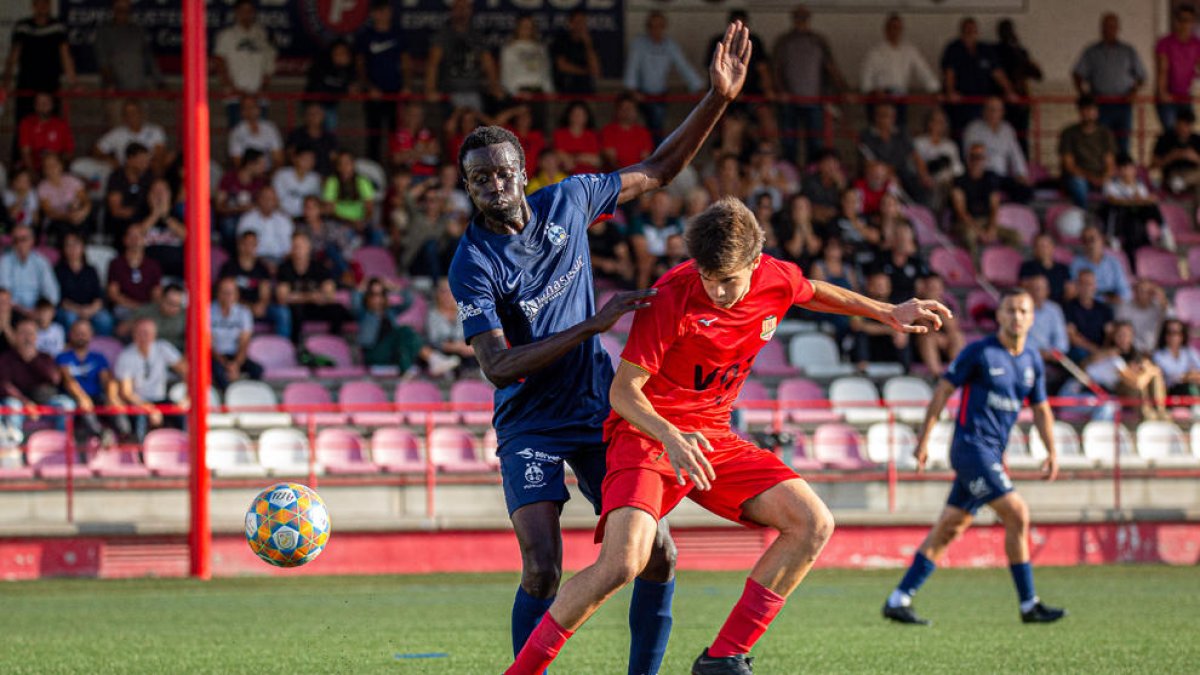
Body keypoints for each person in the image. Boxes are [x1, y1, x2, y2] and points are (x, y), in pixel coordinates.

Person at [505, 196, 950, 674]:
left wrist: (886, 312)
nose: (716, 292)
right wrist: (671, 437)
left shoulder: (774, 276)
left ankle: (723, 657)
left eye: (728, 281)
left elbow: (812, 289)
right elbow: (623, 393)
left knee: (812, 524)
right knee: (623, 563)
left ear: (755, 263)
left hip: (714, 436)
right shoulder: (671, 295)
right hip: (646, 435)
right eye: (708, 279)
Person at [453, 22, 755, 675]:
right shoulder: (472, 263)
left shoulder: (571, 199)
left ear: (523, 172)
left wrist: (717, 99)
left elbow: (661, 167)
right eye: (479, 178)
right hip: (531, 422)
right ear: (469, 185)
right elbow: (497, 365)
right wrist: (592, 326)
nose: (494, 185)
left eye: (503, 172)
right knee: (542, 566)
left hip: (599, 412)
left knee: (658, 552)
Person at [882, 289, 1065, 626]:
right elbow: (943, 391)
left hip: (992, 454)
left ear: (1032, 317)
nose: (1016, 317)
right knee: (1017, 513)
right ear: (999, 316)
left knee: (950, 527)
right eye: (1010, 310)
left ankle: (899, 599)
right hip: (970, 450)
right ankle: (1029, 605)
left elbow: (1041, 409)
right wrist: (924, 439)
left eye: (1023, 311)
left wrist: (1052, 451)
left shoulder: (1032, 361)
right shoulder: (979, 352)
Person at [773, 5, 847, 165]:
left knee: (815, 141)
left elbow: (830, 66)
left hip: (814, 99)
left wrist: (842, 88)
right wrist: (780, 91)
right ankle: (790, 172)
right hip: (790, 100)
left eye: (804, 18)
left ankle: (812, 171)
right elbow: (775, 68)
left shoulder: (818, 41)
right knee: (789, 141)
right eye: (798, 18)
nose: (801, 22)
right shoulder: (784, 41)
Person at [1, 0, 77, 157]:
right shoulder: (22, 26)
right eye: (39, 3)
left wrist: (73, 82)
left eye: (46, 3)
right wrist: (6, 83)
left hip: (50, 85)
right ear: (33, 5)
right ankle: (20, 164)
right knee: (23, 124)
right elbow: (13, 55)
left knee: (53, 124)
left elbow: (65, 55)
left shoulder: (58, 26)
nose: (43, 6)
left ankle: (54, 165)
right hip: (26, 85)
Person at [624, 11, 704, 142]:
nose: (656, 30)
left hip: (660, 94)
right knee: (643, 122)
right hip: (640, 95)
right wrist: (632, 90)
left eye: (659, 26)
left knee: (657, 122)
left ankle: (656, 153)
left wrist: (698, 87)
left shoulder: (670, 45)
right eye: (652, 26)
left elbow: (684, 66)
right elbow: (632, 67)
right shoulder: (639, 44)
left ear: (664, 27)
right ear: (647, 27)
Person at [1072, 13, 1146, 154]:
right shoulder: (1091, 52)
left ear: (1118, 29)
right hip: (1100, 103)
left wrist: (1134, 92)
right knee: (1101, 142)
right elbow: (1077, 73)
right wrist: (1084, 95)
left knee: (1123, 141)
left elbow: (1142, 76)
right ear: (1101, 29)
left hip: (1123, 103)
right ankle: (1103, 173)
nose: (1109, 30)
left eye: (1113, 26)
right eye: (1106, 26)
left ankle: (1121, 172)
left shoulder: (1128, 51)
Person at [57, 318, 130, 445]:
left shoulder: (98, 357)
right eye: (77, 332)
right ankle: (101, 434)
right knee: (85, 407)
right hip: (75, 398)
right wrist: (82, 397)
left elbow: (108, 380)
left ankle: (126, 436)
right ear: (70, 335)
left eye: (84, 332)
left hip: (96, 396)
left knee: (115, 406)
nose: (81, 336)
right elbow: (69, 381)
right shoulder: (63, 357)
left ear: (91, 335)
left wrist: (112, 396)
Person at [859, 13, 939, 128]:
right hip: (881, 97)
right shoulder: (875, 52)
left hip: (900, 97)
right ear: (885, 30)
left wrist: (934, 89)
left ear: (902, 30)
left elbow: (923, 70)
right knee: (877, 130)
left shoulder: (909, 50)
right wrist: (872, 91)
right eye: (892, 27)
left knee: (899, 130)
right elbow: (866, 76)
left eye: (898, 28)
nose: (895, 31)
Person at [0, 318, 75, 440]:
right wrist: (26, 403)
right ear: (15, 336)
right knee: (11, 406)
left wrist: (33, 360)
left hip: (46, 403)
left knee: (66, 404)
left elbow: (54, 379)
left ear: (36, 337)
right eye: (23, 333)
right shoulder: (6, 358)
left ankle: (62, 444)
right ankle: (13, 449)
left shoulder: (45, 357)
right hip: (19, 403)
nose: (27, 338)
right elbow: (4, 385)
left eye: (30, 333)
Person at [940, 17, 1017, 137]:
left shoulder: (985, 50)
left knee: (985, 133)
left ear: (977, 32)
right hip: (961, 103)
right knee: (962, 134)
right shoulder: (953, 48)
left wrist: (1010, 91)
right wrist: (951, 92)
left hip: (983, 103)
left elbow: (998, 73)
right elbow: (949, 73)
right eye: (967, 30)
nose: (970, 32)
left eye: (973, 30)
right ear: (961, 31)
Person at [114, 317, 186, 441]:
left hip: (161, 399)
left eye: (147, 333)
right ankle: (140, 455)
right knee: (140, 418)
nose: (144, 337)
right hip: (138, 402)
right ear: (134, 335)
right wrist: (148, 408)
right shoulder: (126, 356)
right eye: (140, 333)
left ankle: (185, 450)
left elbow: (187, 371)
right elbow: (126, 392)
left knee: (181, 415)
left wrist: (187, 397)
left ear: (154, 335)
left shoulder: (163, 348)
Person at [355, 0, 409, 163]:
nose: (382, 15)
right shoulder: (365, 36)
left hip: (395, 93)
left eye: (385, 11)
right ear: (372, 14)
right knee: (374, 135)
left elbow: (406, 63)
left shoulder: (398, 34)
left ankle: (397, 173)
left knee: (397, 135)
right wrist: (369, 87)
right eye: (378, 11)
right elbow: (360, 66)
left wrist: (406, 86)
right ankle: (373, 172)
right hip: (374, 94)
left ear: (390, 12)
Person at [425, 0, 501, 114]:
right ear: (452, 10)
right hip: (450, 92)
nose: (461, 12)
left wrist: (494, 86)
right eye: (458, 8)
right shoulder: (443, 35)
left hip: (474, 91)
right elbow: (433, 64)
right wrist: (430, 89)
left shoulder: (477, 35)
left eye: (465, 8)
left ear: (470, 11)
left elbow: (488, 63)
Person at [274, 232, 352, 344]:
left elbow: (329, 295)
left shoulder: (319, 267)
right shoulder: (285, 268)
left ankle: (332, 343)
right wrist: (310, 297)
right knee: (296, 309)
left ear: (309, 248)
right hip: (297, 309)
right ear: (291, 248)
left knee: (338, 309)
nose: (299, 250)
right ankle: (295, 346)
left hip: (315, 307)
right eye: (296, 246)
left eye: (302, 246)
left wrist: (300, 297)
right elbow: (282, 298)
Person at [1085, 321, 1168, 421]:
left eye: (1127, 335)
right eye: (1120, 335)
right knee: (1138, 386)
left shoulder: (1135, 353)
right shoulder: (1110, 355)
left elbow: (1152, 370)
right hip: (1101, 392)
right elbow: (1137, 383)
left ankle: (1160, 412)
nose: (1124, 338)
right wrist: (1148, 373)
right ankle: (1148, 417)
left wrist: (1148, 371)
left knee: (1155, 376)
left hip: (1130, 388)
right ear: (1114, 337)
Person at [212, 0, 277, 129]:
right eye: (242, 11)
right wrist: (232, 87)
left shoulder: (263, 35)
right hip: (235, 97)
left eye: (249, 11)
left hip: (258, 97)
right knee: (238, 135)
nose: (246, 14)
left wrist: (262, 88)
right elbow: (219, 63)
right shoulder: (226, 35)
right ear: (236, 13)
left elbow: (269, 65)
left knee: (260, 137)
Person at [962, 96, 1032, 203]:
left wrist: (1021, 174)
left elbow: (1016, 155)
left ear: (1002, 112)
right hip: (983, 175)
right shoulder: (973, 128)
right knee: (989, 185)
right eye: (991, 109)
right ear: (984, 111)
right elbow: (971, 156)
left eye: (997, 110)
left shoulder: (1008, 129)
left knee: (1025, 190)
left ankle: (1010, 215)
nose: (994, 113)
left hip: (1002, 175)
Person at [949, 144, 1014, 256]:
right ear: (968, 159)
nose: (976, 161)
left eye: (980, 157)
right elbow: (961, 212)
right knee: (969, 236)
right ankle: (975, 271)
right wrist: (979, 232)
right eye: (973, 157)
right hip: (965, 223)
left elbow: (995, 206)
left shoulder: (990, 178)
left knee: (1015, 237)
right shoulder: (959, 181)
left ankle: (1000, 263)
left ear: (985, 159)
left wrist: (992, 228)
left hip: (985, 220)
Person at [706, 10, 774, 115]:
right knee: (731, 125)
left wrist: (768, 89)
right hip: (725, 94)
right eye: (735, 24)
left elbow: (762, 69)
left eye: (742, 24)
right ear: (729, 24)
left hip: (751, 93)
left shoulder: (754, 41)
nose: (739, 29)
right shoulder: (719, 42)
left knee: (765, 116)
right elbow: (711, 71)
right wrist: (719, 92)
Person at [93, 0, 163, 103]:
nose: (122, 13)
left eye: (126, 10)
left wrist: (160, 82)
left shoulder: (138, 31)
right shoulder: (103, 31)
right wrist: (110, 83)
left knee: (142, 119)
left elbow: (149, 59)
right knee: (116, 118)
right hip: (115, 92)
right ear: (114, 10)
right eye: (119, 9)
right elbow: (102, 60)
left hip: (139, 90)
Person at [1101, 155, 1159, 268]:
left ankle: (1164, 231)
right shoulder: (1111, 183)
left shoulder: (1139, 184)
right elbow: (1113, 200)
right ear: (1117, 170)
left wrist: (1138, 200)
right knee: (1117, 209)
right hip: (1120, 220)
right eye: (1122, 169)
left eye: (1128, 168)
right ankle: (1113, 236)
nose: (1126, 172)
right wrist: (1133, 200)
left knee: (1151, 207)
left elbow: (1149, 199)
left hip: (1135, 219)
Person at [1059, 95, 1117, 209]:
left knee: (1121, 185)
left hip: (1100, 176)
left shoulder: (1105, 133)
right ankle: (1083, 217)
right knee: (1079, 185)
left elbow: (1110, 162)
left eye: (1092, 110)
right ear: (1080, 112)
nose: (1089, 113)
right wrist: (1091, 178)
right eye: (1085, 110)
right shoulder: (1069, 133)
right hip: (1078, 176)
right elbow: (1069, 165)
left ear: (1097, 112)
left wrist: (1105, 177)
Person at [994, 19, 1042, 155]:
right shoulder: (995, 51)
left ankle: (1023, 168)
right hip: (1003, 101)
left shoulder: (1020, 51)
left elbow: (1037, 74)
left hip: (1021, 101)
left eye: (1010, 30)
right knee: (1002, 136)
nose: (1008, 34)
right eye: (1005, 30)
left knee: (1021, 137)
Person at [851, 272, 913, 372]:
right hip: (868, 348)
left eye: (885, 285)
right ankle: (862, 369)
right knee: (861, 334)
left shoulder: (896, 307)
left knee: (902, 333)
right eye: (879, 285)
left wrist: (898, 331)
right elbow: (857, 326)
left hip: (888, 347)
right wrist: (888, 330)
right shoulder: (860, 304)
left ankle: (906, 370)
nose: (883, 288)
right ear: (870, 287)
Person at [55, 232, 113, 337]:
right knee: (70, 318)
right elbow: (59, 299)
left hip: (90, 309)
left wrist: (90, 309)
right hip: (69, 309)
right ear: (63, 249)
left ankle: (101, 346)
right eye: (69, 245)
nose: (73, 248)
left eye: (76, 244)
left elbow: (99, 296)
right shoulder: (58, 271)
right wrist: (78, 310)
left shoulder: (91, 270)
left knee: (105, 319)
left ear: (82, 247)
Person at [211, 277, 263, 391]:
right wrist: (225, 364)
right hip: (214, 356)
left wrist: (236, 364)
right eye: (224, 292)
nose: (227, 296)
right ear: (217, 293)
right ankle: (228, 403)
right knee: (219, 373)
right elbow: (209, 344)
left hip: (236, 354)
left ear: (237, 294)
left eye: (231, 293)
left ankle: (249, 396)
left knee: (257, 370)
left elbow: (244, 342)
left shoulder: (244, 312)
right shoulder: (208, 311)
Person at [1154, 4, 1200, 131]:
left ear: (1193, 22)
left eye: (1188, 20)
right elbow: (1162, 69)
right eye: (1181, 20)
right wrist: (1162, 92)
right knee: (1171, 132)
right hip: (1168, 96)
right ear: (1176, 21)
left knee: (1187, 133)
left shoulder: (1196, 44)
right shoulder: (1165, 42)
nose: (1184, 24)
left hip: (1185, 96)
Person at [107, 227, 164, 322]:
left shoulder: (153, 265)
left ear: (144, 240)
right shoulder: (116, 263)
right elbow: (113, 293)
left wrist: (148, 308)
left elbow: (157, 293)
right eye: (131, 236)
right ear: (125, 240)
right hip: (124, 307)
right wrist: (136, 307)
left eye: (139, 236)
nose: (136, 239)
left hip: (147, 308)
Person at [94, 99, 168, 171]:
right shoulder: (116, 133)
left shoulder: (155, 131)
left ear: (141, 113)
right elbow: (97, 149)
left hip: (148, 171)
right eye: (127, 114)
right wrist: (110, 160)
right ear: (123, 117)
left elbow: (159, 154)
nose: (130, 116)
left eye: (134, 112)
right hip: (124, 173)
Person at [630, 191, 684, 290]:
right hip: (651, 258)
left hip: (672, 255)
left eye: (664, 203)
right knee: (646, 263)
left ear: (669, 206)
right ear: (650, 204)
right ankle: (640, 299)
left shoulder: (675, 222)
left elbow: (680, 244)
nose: (660, 207)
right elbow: (641, 252)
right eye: (657, 202)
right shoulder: (639, 221)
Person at [218, 230, 273, 326]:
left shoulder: (262, 268)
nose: (249, 247)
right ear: (240, 245)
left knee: (281, 313)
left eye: (253, 244)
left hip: (258, 307)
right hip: (235, 306)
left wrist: (261, 305)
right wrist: (249, 308)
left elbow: (265, 293)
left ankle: (284, 341)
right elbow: (225, 293)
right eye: (247, 244)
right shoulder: (229, 267)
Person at [913, 109, 964, 212]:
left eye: (941, 122)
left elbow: (958, 168)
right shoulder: (919, 142)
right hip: (924, 179)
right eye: (934, 121)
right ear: (928, 123)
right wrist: (925, 175)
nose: (938, 125)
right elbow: (914, 164)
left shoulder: (950, 145)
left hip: (946, 181)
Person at [322, 151, 377, 246]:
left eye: (347, 163)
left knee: (378, 234)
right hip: (339, 222)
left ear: (353, 165)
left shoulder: (363, 181)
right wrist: (351, 222)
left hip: (361, 221)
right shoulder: (332, 182)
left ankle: (371, 258)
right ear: (337, 167)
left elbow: (370, 208)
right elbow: (329, 211)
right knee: (346, 235)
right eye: (341, 164)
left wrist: (363, 222)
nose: (344, 167)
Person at [0, 224, 59, 313]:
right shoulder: (5, 261)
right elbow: (4, 292)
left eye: (23, 239)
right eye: (16, 240)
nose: (20, 244)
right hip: (14, 310)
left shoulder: (41, 262)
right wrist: (24, 310)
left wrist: (40, 309)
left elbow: (52, 293)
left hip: (38, 310)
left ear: (32, 240)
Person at [104, 142, 154, 245]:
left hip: (145, 223)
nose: (145, 163)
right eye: (142, 160)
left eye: (147, 160)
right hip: (121, 225)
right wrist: (138, 215)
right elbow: (116, 210)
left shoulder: (149, 177)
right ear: (130, 159)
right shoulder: (117, 178)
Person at [38, 152, 92, 244]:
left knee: (85, 223)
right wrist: (67, 217)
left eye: (54, 165)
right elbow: (49, 212)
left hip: (76, 215)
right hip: (58, 220)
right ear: (44, 170)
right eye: (47, 166)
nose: (51, 169)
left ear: (61, 166)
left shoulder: (72, 180)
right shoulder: (42, 187)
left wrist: (83, 212)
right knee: (63, 228)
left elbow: (85, 200)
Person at [1070, 225, 1131, 305]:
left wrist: (1111, 299)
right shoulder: (1076, 264)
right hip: (1088, 305)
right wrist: (1102, 299)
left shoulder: (1113, 263)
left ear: (1101, 239)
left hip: (1112, 304)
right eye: (1085, 240)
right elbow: (1076, 291)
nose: (1089, 243)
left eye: (1092, 239)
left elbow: (1125, 292)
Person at [138, 178, 186, 279]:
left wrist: (165, 217)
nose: (159, 195)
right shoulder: (140, 214)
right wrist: (155, 215)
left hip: (176, 271)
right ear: (148, 195)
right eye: (155, 191)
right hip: (147, 272)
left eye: (163, 191)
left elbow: (186, 236)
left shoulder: (178, 214)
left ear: (169, 195)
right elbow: (134, 235)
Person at [1063, 269, 1114, 364]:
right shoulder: (1068, 308)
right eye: (1083, 284)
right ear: (1077, 286)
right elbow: (1072, 337)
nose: (1086, 287)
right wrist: (1095, 350)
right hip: (1082, 351)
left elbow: (1110, 334)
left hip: (1101, 350)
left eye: (1090, 284)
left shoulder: (1104, 309)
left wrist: (1103, 352)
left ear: (1095, 286)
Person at [17, 91, 74, 173]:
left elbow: (69, 152)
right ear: (35, 106)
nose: (43, 106)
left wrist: (55, 162)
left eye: (46, 102)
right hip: (34, 168)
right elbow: (25, 152)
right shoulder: (27, 123)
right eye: (39, 103)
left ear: (52, 105)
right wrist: (32, 173)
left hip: (57, 168)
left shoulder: (61, 125)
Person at [303, 39, 354, 131]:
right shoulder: (322, 63)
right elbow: (315, 82)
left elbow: (347, 88)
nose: (340, 55)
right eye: (337, 52)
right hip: (314, 102)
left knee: (330, 129)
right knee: (313, 130)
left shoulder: (347, 70)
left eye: (343, 52)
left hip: (331, 105)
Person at [500, 15, 554, 101]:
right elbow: (505, 75)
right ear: (518, 27)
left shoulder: (541, 48)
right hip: (520, 92)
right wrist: (515, 92)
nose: (527, 28)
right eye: (524, 25)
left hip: (539, 92)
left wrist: (550, 92)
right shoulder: (509, 49)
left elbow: (546, 73)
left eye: (530, 26)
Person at [237, 186, 293, 267]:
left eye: (271, 198)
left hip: (281, 262)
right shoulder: (247, 219)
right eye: (265, 198)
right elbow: (241, 247)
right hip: (255, 262)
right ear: (258, 199)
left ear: (276, 201)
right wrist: (262, 263)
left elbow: (289, 248)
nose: (268, 201)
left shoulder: (285, 220)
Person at [1150, 107, 1200, 198]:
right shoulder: (1165, 138)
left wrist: (1194, 157)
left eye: (1188, 125)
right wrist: (1170, 157)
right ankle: (1179, 184)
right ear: (1177, 123)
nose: (1185, 128)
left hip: (1193, 174)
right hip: (1172, 174)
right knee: (1176, 180)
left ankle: (1182, 183)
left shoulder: (1196, 139)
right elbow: (1153, 165)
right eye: (1183, 124)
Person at [121, 284, 185, 352]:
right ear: (161, 298)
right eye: (170, 303)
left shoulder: (186, 316)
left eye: (177, 305)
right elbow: (122, 331)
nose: (173, 308)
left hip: (176, 354)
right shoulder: (145, 311)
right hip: (147, 352)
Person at [551, 10, 600, 95]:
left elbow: (596, 70)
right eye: (577, 22)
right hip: (565, 87)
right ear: (570, 24)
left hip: (586, 88)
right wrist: (584, 72)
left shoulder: (590, 42)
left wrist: (588, 45)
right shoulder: (561, 40)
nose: (580, 26)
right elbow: (562, 66)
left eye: (583, 22)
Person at [600, 95, 654, 173]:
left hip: (638, 177)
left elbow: (645, 159)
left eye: (630, 109)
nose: (626, 112)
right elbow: (611, 160)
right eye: (623, 108)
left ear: (635, 111)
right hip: (614, 176)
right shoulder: (608, 131)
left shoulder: (643, 133)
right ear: (617, 110)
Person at [228, 96, 283, 169]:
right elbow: (237, 161)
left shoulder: (270, 128)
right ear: (242, 112)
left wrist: (272, 173)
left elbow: (278, 157)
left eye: (253, 106)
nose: (250, 110)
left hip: (269, 171)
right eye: (246, 107)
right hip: (248, 173)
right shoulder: (236, 132)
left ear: (259, 109)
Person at [1116, 278, 1167, 355]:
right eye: (1141, 291)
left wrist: (1163, 300)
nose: (1144, 295)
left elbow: (1173, 321)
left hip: (1157, 350)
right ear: (1135, 292)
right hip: (1131, 351)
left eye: (1149, 292)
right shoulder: (1124, 308)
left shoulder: (1158, 307)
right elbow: (1120, 334)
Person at [285, 103, 339, 176]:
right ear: (305, 117)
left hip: (324, 175)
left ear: (323, 116)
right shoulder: (296, 135)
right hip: (300, 175)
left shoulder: (330, 137)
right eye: (310, 114)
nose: (313, 117)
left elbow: (334, 160)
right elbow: (290, 156)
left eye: (317, 113)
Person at [1018, 233, 1072, 305]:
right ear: (1034, 248)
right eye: (1039, 246)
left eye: (1045, 246)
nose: (1043, 249)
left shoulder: (1062, 268)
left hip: (1059, 307)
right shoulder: (1027, 267)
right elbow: (1024, 289)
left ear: (1053, 247)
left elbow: (1069, 291)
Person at [388, 103, 439, 179]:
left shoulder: (429, 133)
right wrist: (423, 151)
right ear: (405, 115)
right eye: (411, 114)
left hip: (428, 176)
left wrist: (408, 154)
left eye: (418, 115)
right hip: (406, 177)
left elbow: (435, 151)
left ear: (422, 117)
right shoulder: (396, 135)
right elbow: (396, 159)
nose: (414, 118)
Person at [272, 147, 321, 220]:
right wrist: (286, 216)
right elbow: (275, 199)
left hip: (306, 219)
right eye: (305, 159)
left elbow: (317, 201)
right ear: (295, 159)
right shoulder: (282, 175)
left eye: (312, 159)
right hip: (282, 216)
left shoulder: (315, 178)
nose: (309, 162)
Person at [553, 102, 602, 176]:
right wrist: (584, 158)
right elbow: (558, 156)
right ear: (569, 116)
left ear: (586, 117)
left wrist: (575, 158)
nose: (577, 117)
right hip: (564, 177)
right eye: (574, 114)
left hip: (589, 179)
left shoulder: (592, 135)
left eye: (581, 114)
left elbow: (596, 161)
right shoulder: (560, 134)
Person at [1154, 319, 1200, 397]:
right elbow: (1172, 377)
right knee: (1187, 388)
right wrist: (1189, 376)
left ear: (1182, 335)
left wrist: (1189, 376)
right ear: (1165, 335)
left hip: (1191, 389)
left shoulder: (1189, 352)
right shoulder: (1159, 355)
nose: (1173, 336)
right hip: (1171, 394)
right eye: (1169, 332)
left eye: (1176, 333)